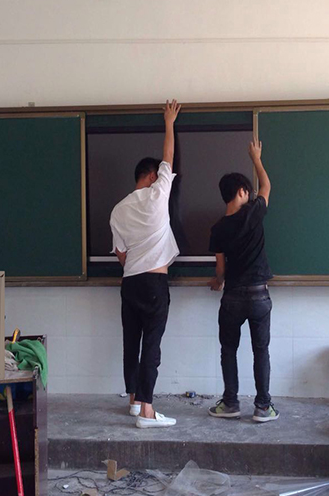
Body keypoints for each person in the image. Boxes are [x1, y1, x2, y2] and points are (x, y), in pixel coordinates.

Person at [110, 99, 181, 429]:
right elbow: (169, 156)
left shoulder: (117, 210)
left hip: (130, 283)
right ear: (152, 176)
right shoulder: (158, 194)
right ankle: (148, 412)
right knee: (151, 345)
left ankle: (134, 402)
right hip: (154, 283)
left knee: (132, 342)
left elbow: (121, 255)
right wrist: (169, 123)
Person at [207, 139, 278, 423]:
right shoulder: (254, 212)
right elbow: (267, 186)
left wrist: (218, 282)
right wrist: (256, 158)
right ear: (241, 191)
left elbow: (220, 268)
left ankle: (230, 403)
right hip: (259, 295)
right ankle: (262, 407)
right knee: (260, 351)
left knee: (228, 350)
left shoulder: (217, 229)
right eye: (247, 192)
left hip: (233, 296)